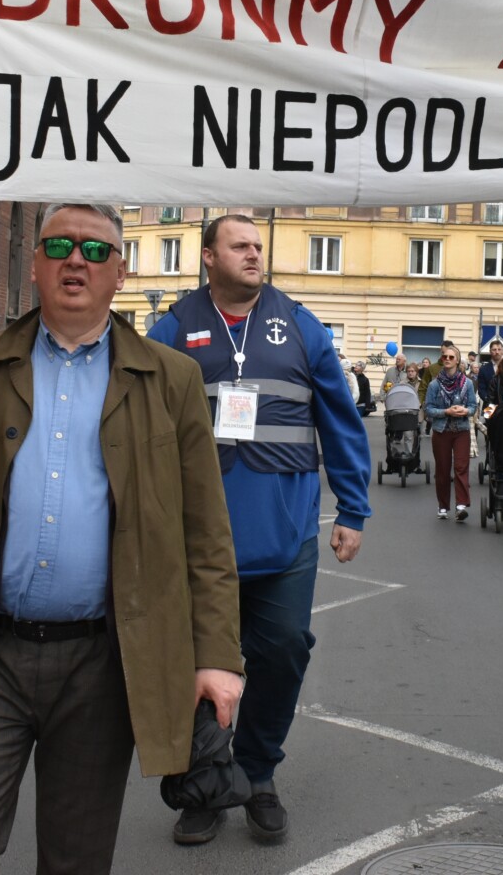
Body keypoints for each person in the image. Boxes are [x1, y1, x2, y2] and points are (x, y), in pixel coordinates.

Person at [0, 203, 244, 874]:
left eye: (96, 250)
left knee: (76, 860)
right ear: (36, 264)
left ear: (120, 273)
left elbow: (206, 534)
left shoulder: (171, 380)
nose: (77, 260)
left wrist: (218, 656)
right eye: (60, 246)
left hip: (100, 663)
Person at [149, 213, 372, 845]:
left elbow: (340, 419)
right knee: (196, 664)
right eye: (239, 246)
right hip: (196, 540)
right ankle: (204, 780)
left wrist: (352, 509)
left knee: (283, 652)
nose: (254, 254)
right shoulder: (172, 328)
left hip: (286, 535)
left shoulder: (300, 325)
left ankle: (256, 773)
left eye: (258, 246)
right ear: (208, 256)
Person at [425, 345, 477, 519]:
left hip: (461, 430)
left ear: (457, 360)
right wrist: (446, 411)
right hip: (441, 431)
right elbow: (428, 409)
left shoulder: (467, 383)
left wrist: (465, 410)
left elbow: (473, 406)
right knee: (442, 470)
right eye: (444, 357)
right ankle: (443, 506)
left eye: (451, 357)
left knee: (461, 467)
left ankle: (461, 505)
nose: (447, 359)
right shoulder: (434, 384)